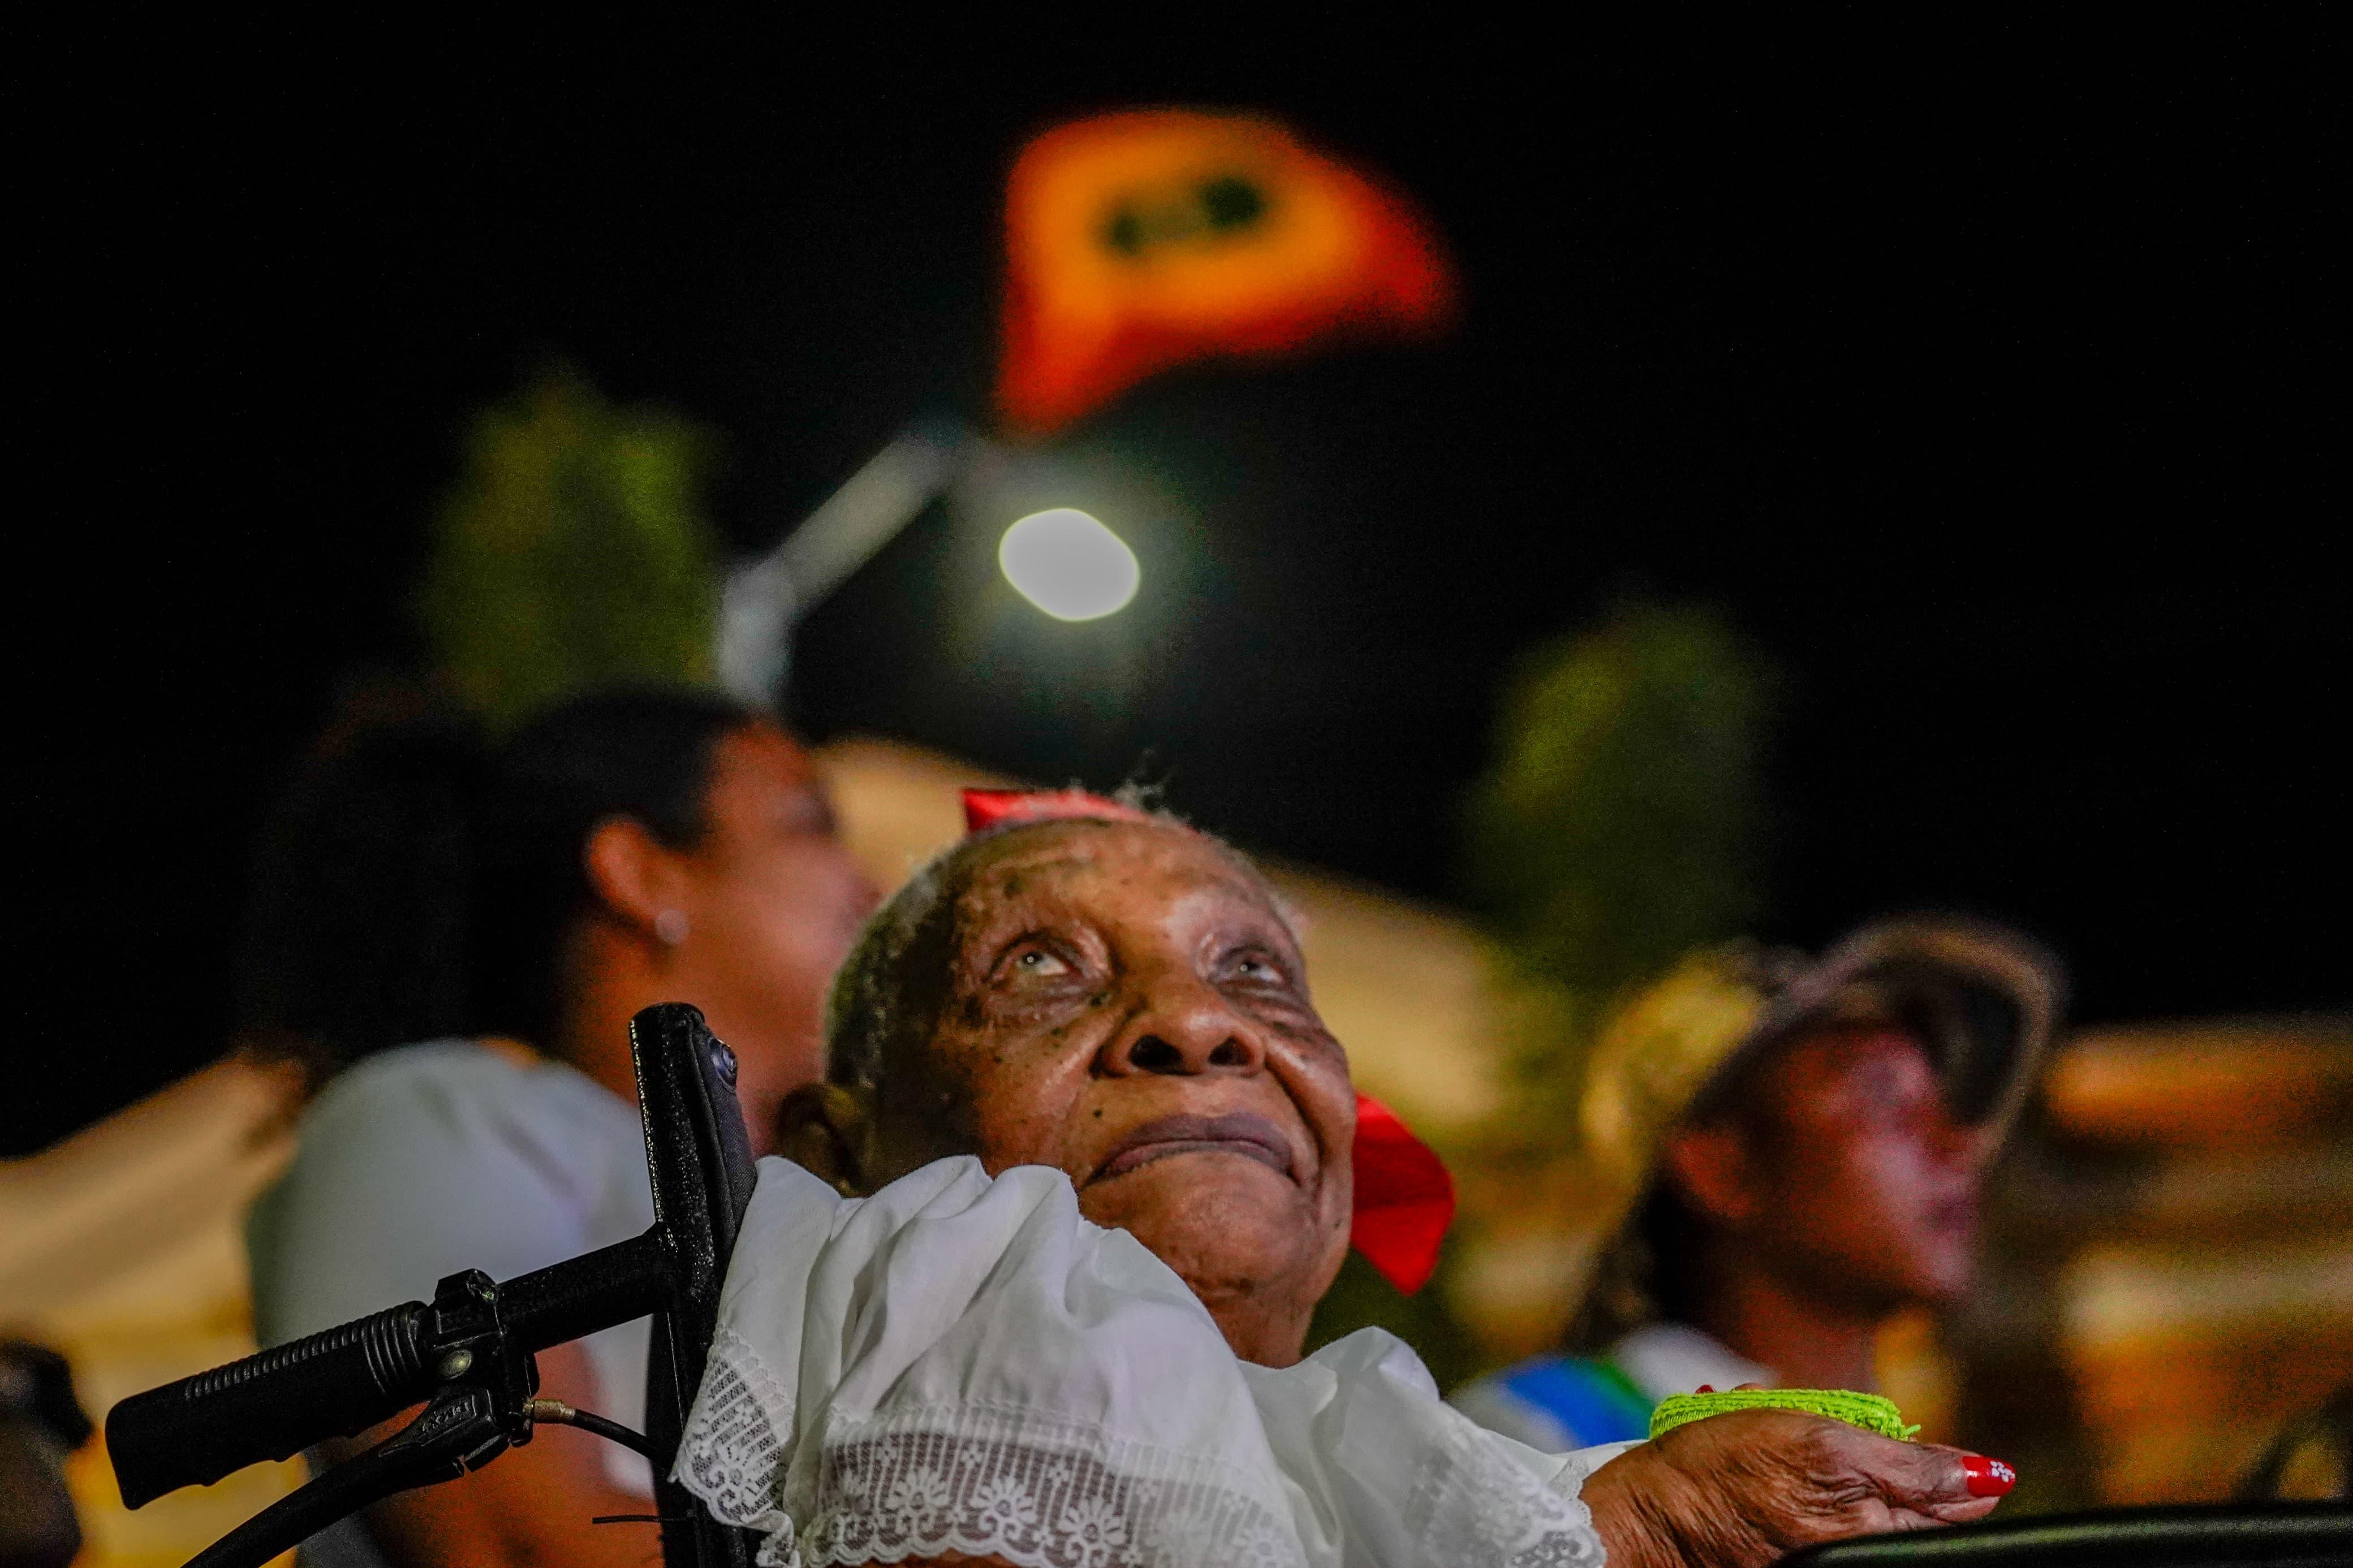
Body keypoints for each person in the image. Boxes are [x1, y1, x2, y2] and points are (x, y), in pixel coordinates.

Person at [678, 791, 2018, 1567]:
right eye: (1037, 966)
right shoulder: (948, 1292)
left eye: (1254, 969)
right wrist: (1608, 1532)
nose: (1200, 1021)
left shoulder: (1428, 1467)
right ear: (838, 1150)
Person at [242, 686, 876, 1568]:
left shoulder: (827, 1200)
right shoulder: (430, 1116)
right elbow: (524, 1544)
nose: (871, 888)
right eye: (810, 824)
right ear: (642, 873)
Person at [1449, 921, 2062, 1452]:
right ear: (1719, 1169)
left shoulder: (1903, 1460)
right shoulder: (1528, 1439)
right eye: (1881, 1098)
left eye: (1940, 1104)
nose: (1959, 1147)